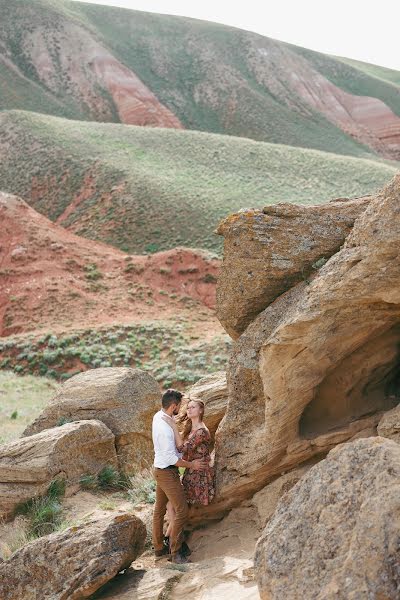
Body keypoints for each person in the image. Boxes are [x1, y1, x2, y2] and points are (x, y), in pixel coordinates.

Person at [152, 389, 208, 564]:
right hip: (167, 472)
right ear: (174, 406)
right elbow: (172, 458)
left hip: (160, 470)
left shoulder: (160, 417)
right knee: (182, 511)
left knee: (159, 511)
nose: (183, 410)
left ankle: (159, 548)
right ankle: (175, 553)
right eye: (181, 406)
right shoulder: (164, 428)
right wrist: (192, 465)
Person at [161, 398, 215, 550]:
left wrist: (172, 426)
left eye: (193, 407)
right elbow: (185, 454)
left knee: (175, 506)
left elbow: (183, 450)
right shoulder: (191, 428)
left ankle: (172, 541)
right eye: (188, 407)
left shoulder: (202, 431)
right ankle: (171, 539)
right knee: (172, 505)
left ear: (201, 411)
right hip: (191, 472)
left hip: (199, 476)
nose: (189, 410)